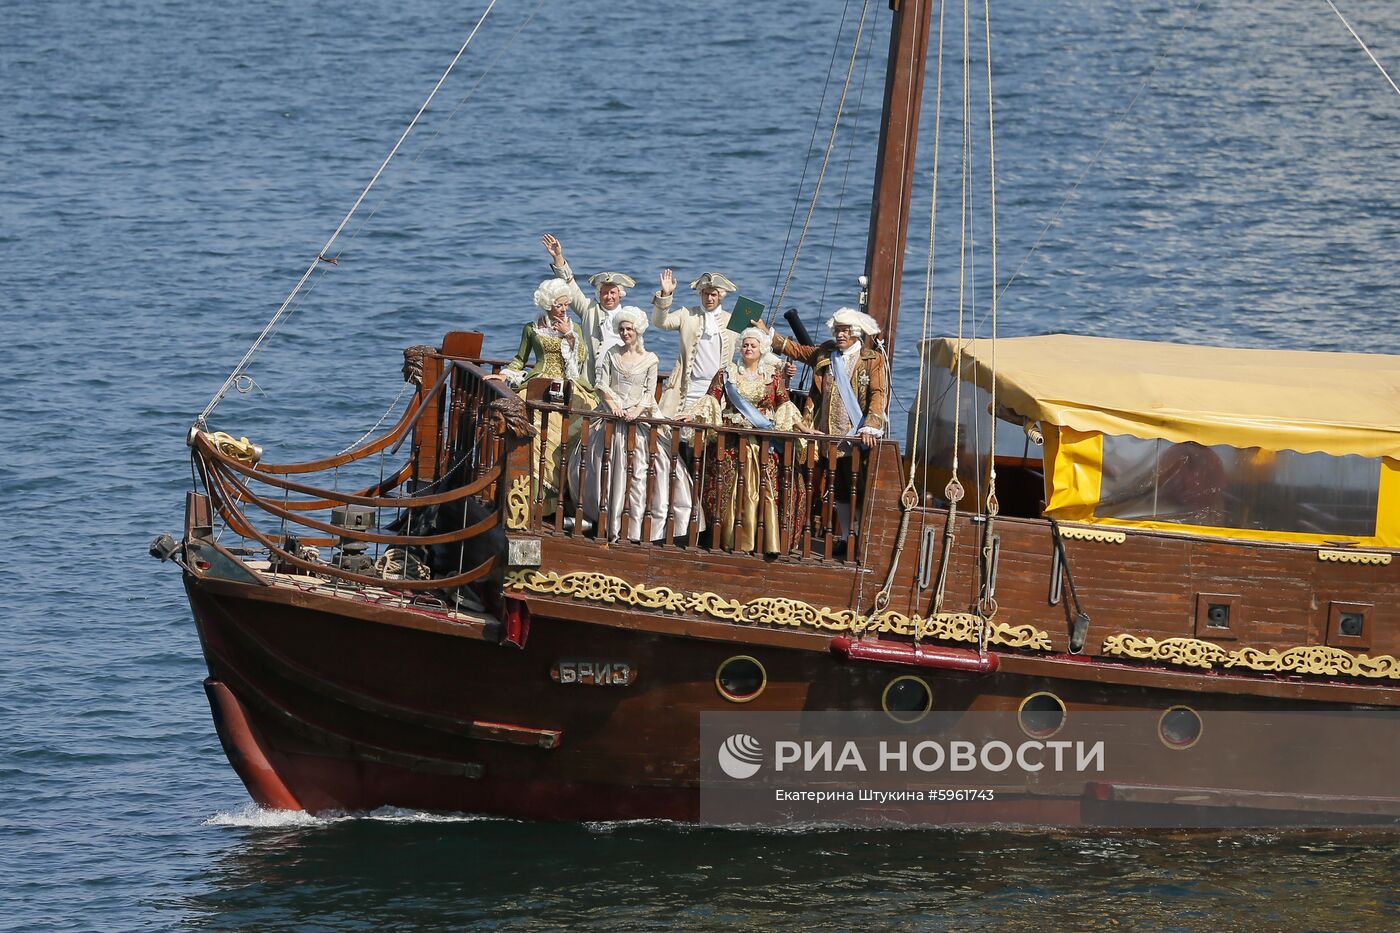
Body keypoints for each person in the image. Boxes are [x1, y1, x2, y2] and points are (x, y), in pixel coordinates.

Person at [760, 307, 889, 546]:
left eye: (845, 331)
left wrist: (871, 425)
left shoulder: (871, 360)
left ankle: (860, 538)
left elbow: (878, 394)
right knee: (838, 487)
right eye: (838, 330)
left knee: (858, 487)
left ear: (856, 333)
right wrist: (767, 333)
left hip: (855, 436)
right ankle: (845, 536)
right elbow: (797, 350)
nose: (840, 335)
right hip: (824, 434)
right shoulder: (825, 353)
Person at [684, 327, 805, 554]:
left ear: (762, 350)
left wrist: (802, 426)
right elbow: (712, 399)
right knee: (731, 491)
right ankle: (730, 539)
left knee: (766, 490)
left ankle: (764, 542)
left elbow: (784, 405)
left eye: (753, 345)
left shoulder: (772, 375)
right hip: (731, 442)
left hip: (763, 444)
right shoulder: (726, 373)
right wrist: (691, 415)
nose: (748, 349)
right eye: (745, 345)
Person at [488, 279, 598, 514]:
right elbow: (520, 359)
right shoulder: (531, 328)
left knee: (572, 426)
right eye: (559, 305)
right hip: (538, 383)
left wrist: (569, 335)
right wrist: (504, 375)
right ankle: (532, 494)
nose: (564, 309)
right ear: (548, 304)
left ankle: (562, 492)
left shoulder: (574, 327)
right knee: (532, 430)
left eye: (566, 305)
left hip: (567, 383)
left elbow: (580, 357)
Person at [648, 268, 739, 540]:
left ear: (721, 296)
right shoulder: (688, 314)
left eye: (713, 293)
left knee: (712, 450)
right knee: (683, 449)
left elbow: (757, 342)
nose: (709, 297)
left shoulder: (732, 319)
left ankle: (709, 518)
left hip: (718, 394)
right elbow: (660, 322)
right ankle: (681, 515)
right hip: (687, 390)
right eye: (705, 293)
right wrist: (666, 295)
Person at [572, 308, 658, 542]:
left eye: (629, 329)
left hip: (637, 419)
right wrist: (614, 407)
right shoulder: (611, 353)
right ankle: (603, 519)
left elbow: (650, 393)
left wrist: (636, 411)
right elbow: (601, 384)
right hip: (612, 415)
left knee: (639, 472)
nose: (625, 333)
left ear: (638, 331)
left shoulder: (650, 359)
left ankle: (633, 528)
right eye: (622, 329)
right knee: (602, 466)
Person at [542, 233, 640, 382]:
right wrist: (558, 257)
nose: (609, 296)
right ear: (599, 294)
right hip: (591, 379)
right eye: (604, 293)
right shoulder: (589, 309)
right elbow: (570, 285)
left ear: (620, 294)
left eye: (613, 292)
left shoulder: (629, 316)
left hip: (619, 377)